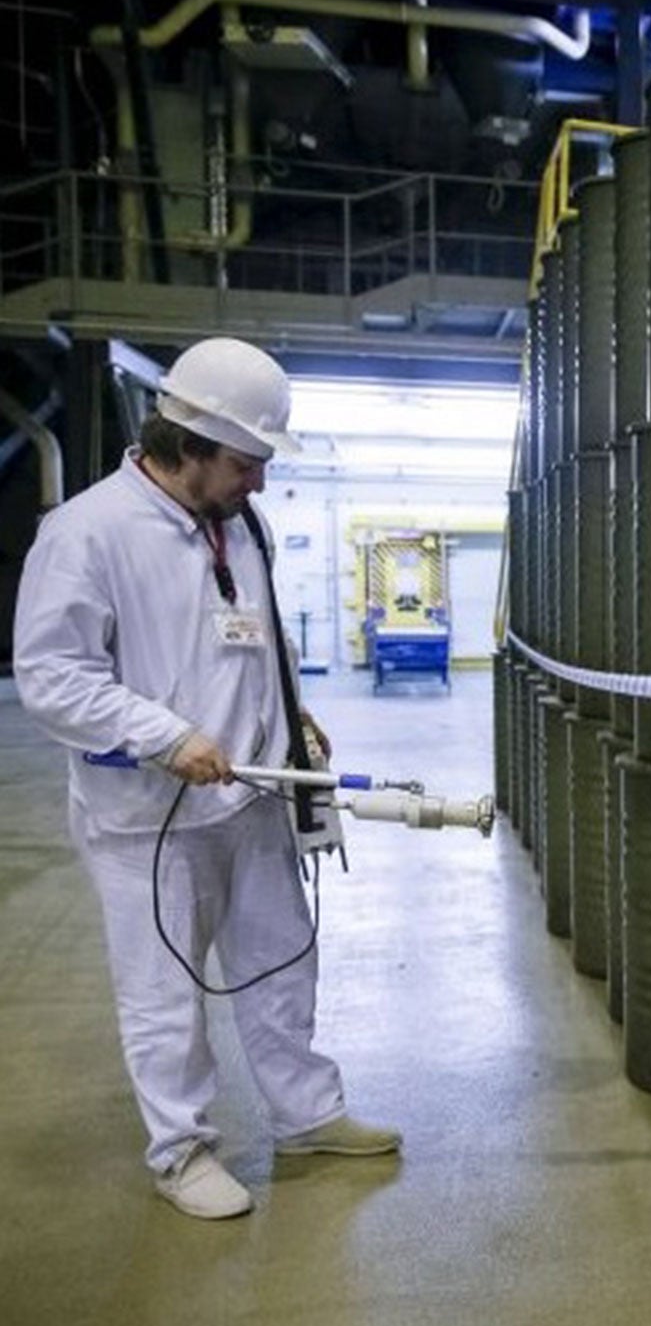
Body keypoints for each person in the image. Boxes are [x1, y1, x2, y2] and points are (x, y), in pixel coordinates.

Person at [13, 337, 399, 1220]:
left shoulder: (238, 523)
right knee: (164, 994)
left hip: (252, 796)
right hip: (149, 817)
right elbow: (53, 676)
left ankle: (307, 1114)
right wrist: (164, 734)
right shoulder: (86, 534)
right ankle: (182, 1151)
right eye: (245, 462)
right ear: (185, 442)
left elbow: (249, 631)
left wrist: (289, 712)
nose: (259, 482)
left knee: (279, 963)